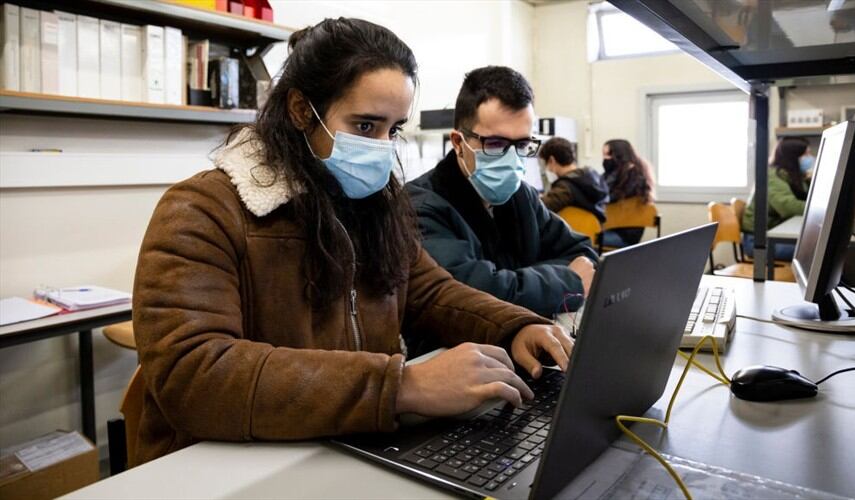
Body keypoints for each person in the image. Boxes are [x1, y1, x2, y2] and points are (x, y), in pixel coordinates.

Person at [131, 19, 573, 466]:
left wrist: (516, 326)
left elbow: (429, 290)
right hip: (224, 466)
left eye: (394, 129)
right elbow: (194, 376)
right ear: (302, 111)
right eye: (365, 126)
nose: (383, 147)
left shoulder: (372, 205)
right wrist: (402, 386)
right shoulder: (202, 210)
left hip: (345, 444)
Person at [407, 66, 597, 328]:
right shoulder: (420, 205)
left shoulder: (522, 196)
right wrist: (567, 281)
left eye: (521, 145)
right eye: (495, 144)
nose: (511, 158)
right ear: (459, 143)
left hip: (530, 335)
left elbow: (582, 254)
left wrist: (517, 284)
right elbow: (474, 296)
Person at [741, 137, 813, 261]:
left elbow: (806, 196)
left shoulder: (793, 176)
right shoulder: (772, 178)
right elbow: (789, 207)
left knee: (819, 249)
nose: (810, 158)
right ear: (792, 157)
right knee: (815, 252)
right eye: (806, 154)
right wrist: (822, 210)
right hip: (758, 242)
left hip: (772, 235)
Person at [600, 139, 656, 247]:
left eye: (608, 154)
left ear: (619, 155)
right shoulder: (619, 173)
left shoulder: (634, 177)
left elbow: (606, 197)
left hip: (623, 234)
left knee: (579, 239)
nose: (605, 159)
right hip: (613, 230)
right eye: (604, 155)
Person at [539, 136, 609, 222]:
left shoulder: (565, 188)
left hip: (574, 233)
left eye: (546, 164)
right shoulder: (593, 175)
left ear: (551, 160)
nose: (547, 169)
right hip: (596, 232)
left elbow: (539, 209)